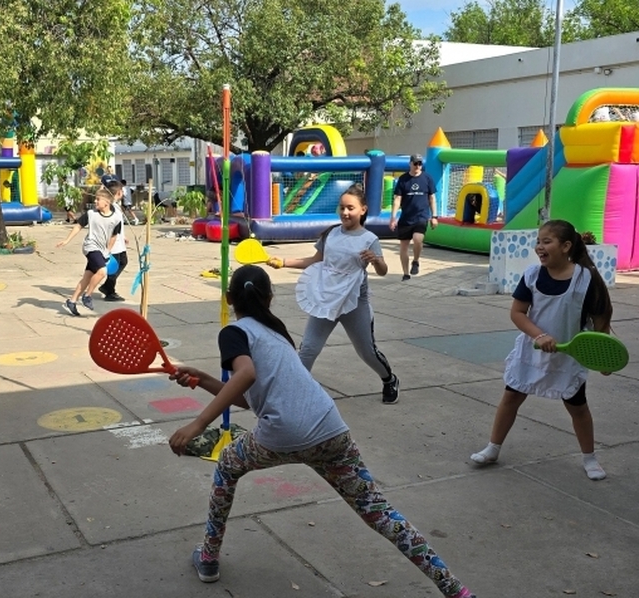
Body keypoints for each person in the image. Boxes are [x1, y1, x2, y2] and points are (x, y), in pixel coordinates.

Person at [167, 265, 476, 597]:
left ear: (228, 298)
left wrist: (198, 424)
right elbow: (246, 398)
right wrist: (201, 379)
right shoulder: (277, 333)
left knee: (228, 465)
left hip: (282, 435)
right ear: (270, 298)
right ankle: (455, 589)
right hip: (330, 430)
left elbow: (245, 375)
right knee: (378, 511)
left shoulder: (233, 332)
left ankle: (209, 557)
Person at [470, 220, 613, 481]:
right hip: (531, 351)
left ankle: (590, 458)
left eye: (547, 241)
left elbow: (601, 315)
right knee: (511, 398)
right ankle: (493, 448)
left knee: (578, 407)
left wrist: (603, 353)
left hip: (568, 357)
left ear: (566, 246)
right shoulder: (532, 275)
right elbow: (517, 312)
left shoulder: (585, 278)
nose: (539, 247)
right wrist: (540, 335)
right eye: (538, 241)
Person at [266, 183, 399, 404]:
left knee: (366, 351)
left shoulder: (369, 240)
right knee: (308, 348)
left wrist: (375, 260)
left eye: (350, 208)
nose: (345, 212)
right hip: (326, 298)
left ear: (363, 210)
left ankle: (389, 379)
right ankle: (293, 393)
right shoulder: (331, 234)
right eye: (342, 207)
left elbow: (383, 271)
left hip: (354, 302)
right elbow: (314, 260)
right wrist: (283, 261)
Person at [56, 186, 122, 316]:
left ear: (107, 203)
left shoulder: (116, 219)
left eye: (98, 200)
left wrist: (108, 251)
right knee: (102, 272)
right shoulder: (91, 214)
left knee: (87, 277)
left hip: (102, 250)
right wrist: (67, 240)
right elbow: (78, 226)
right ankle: (87, 296)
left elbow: (114, 236)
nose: (96, 202)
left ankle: (72, 301)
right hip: (90, 247)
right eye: (95, 199)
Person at [389, 154, 438, 281]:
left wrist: (434, 216)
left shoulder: (427, 178)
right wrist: (393, 217)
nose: (417, 166)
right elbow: (397, 199)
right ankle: (405, 273)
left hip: (421, 216)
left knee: (418, 239)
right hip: (406, 218)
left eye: (420, 164)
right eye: (415, 163)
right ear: (410, 164)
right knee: (404, 246)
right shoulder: (403, 179)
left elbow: (432, 198)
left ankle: (415, 261)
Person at [98, 176, 128, 302]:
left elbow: (119, 225)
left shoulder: (115, 206)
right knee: (115, 266)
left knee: (123, 262)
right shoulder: (111, 207)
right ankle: (109, 290)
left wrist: (123, 236)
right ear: (119, 192)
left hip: (118, 241)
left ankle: (107, 287)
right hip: (113, 243)